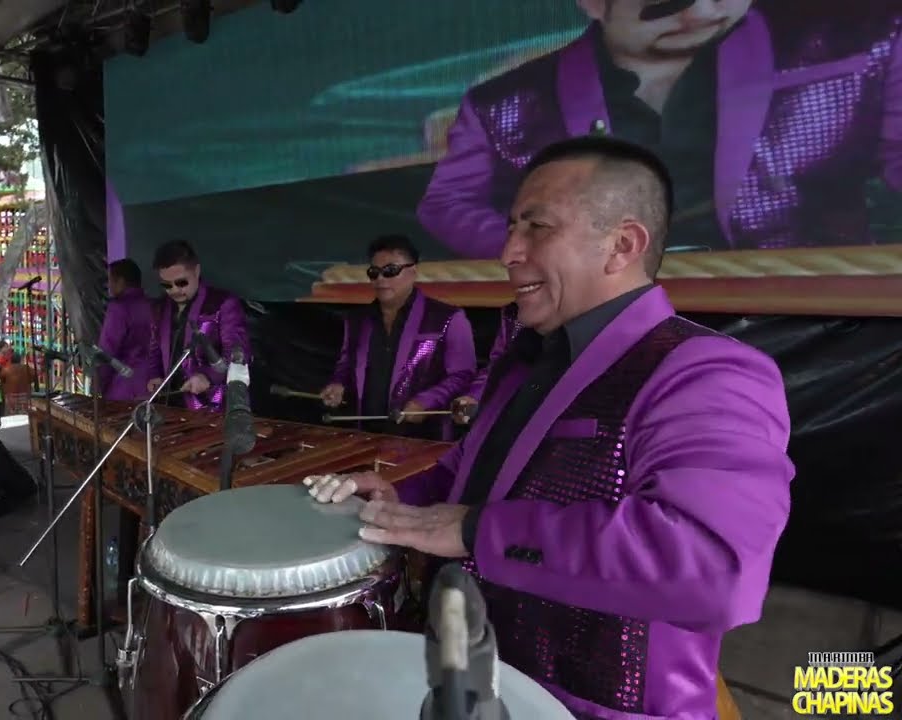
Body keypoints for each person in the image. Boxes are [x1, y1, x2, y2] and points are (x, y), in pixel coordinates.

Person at [308, 136, 794, 719]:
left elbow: (709, 567)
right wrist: (400, 497)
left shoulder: (705, 371)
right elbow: (469, 470)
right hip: (468, 675)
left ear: (622, 245)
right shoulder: (526, 359)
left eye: (536, 227)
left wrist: (476, 531)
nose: (509, 251)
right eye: (512, 227)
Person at [418, 0, 902, 257]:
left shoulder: (853, 43)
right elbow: (447, 204)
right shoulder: (502, 102)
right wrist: (545, 248)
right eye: (666, 3)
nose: (702, 11)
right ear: (593, 2)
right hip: (608, 327)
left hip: (809, 330)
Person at [320, 235, 475, 440]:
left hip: (422, 439)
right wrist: (338, 385)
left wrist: (426, 401)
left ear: (413, 271)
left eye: (390, 271)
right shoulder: (356, 320)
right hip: (365, 435)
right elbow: (346, 365)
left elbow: (463, 375)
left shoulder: (449, 317)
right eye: (374, 273)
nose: (381, 279)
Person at [145, 240, 250, 411]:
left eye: (181, 283)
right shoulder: (160, 309)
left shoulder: (223, 304)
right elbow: (155, 350)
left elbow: (238, 353)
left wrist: (207, 377)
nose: (174, 290)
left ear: (197, 271)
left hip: (213, 408)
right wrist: (155, 376)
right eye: (166, 285)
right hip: (170, 407)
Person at [96, 258, 153, 401]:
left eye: (110, 280)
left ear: (120, 281)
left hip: (123, 387)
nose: (108, 285)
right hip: (152, 385)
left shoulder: (118, 308)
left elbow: (107, 351)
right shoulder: (154, 305)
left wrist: (100, 384)